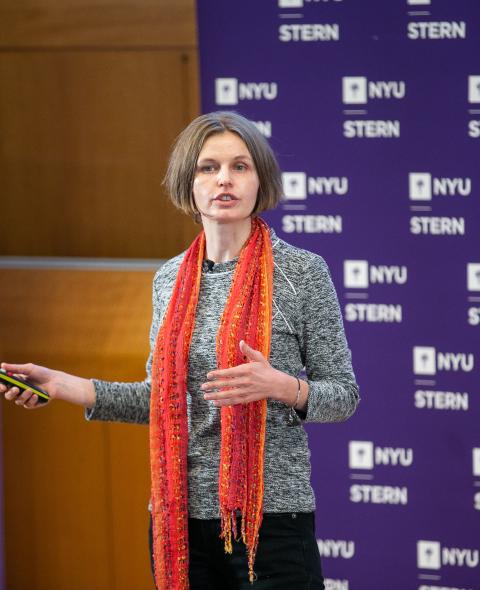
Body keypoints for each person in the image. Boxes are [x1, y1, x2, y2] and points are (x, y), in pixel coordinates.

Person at [1, 111, 360, 590]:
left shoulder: (304, 273)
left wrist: (282, 386)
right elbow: (162, 401)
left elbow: (344, 396)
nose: (224, 180)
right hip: (178, 520)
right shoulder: (170, 279)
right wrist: (67, 386)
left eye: (240, 166)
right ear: (188, 183)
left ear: (261, 181)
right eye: (208, 167)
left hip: (270, 522)